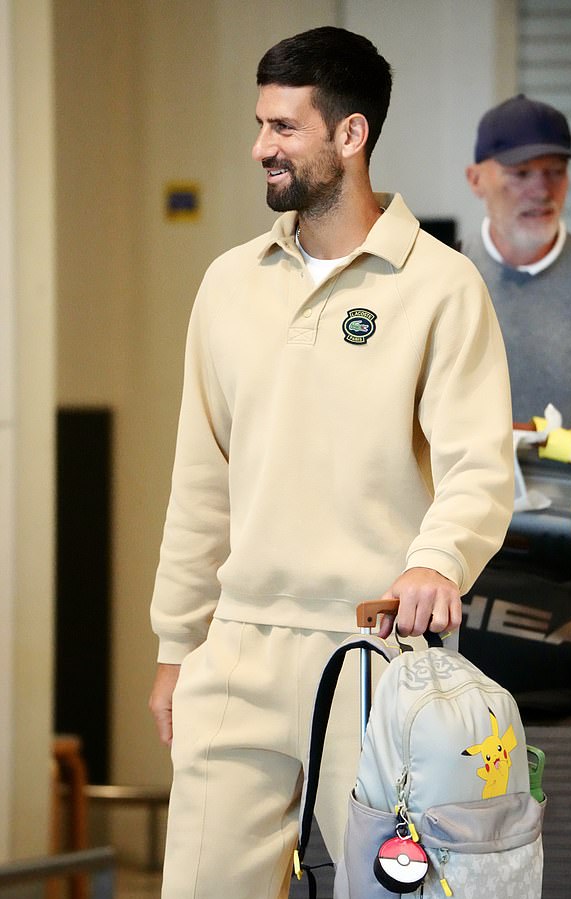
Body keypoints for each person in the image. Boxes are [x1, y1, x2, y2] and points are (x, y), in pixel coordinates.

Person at [149, 26, 514, 899]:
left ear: (350, 137)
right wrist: (175, 645)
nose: (259, 147)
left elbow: (479, 466)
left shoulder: (441, 284)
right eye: (261, 124)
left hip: (377, 657)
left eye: (284, 128)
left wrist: (438, 558)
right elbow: (200, 477)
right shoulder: (228, 283)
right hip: (237, 651)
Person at [462, 93, 571, 432]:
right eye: (521, 173)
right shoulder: (441, 273)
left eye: (555, 171)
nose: (541, 190)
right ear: (476, 180)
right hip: (467, 486)